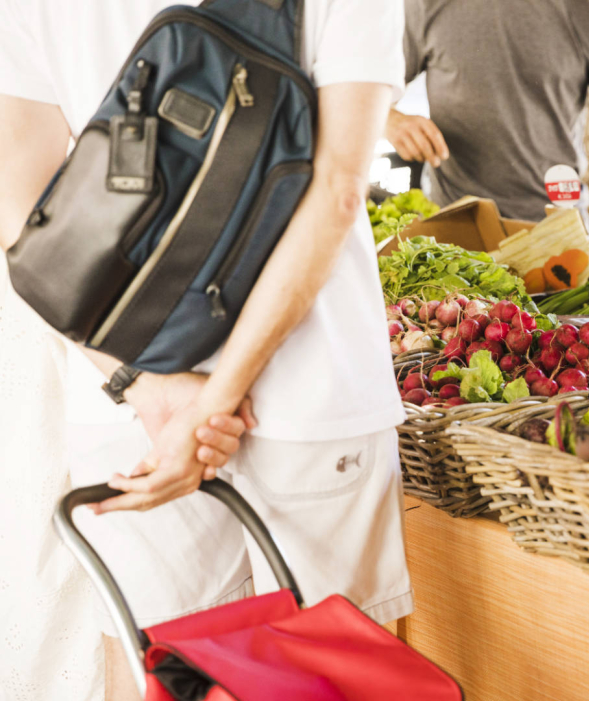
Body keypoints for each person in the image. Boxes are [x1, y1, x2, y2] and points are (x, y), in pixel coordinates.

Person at [0, 2, 411, 700]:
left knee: (157, 670)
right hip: (312, 395)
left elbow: (18, 203)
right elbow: (338, 191)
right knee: (337, 675)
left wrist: (146, 387)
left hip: (133, 417)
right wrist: (219, 401)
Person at [388, 0, 589, 242]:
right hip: (454, 233)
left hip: (557, 235)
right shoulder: (424, 4)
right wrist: (390, 121)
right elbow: (365, 95)